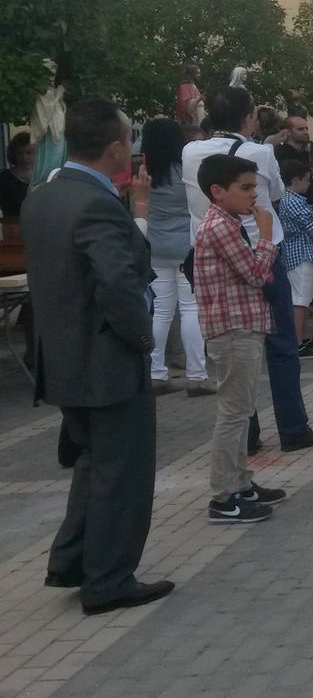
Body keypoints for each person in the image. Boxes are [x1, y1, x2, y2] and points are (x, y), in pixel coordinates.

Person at [23, 98, 174, 615]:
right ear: (113, 149)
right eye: (127, 145)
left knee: (92, 463)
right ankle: (108, 579)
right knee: (122, 471)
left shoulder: (41, 198)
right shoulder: (96, 205)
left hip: (62, 358)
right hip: (106, 361)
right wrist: (143, 340)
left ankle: (71, 560)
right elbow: (121, 283)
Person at [181, 87, 313, 453]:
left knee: (234, 344)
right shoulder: (258, 152)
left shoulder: (189, 152)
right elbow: (276, 193)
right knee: (280, 344)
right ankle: (293, 428)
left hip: (211, 252)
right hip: (259, 247)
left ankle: (245, 434)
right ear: (249, 118)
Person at [192, 154, 290, 525]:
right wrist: (266, 236)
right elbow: (254, 274)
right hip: (232, 330)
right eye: (246, 188)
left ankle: (240, 482)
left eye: (255, 188)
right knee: (234, 414)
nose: (254, 197)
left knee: (242, 409)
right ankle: (223, 495)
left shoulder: (228, 222)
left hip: (242, 326)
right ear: (217, 192)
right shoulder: (219, 226)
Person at [137, 118, 209, 394]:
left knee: (161, 311)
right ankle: (197, 374)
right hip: (185, 245)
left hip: (155, 246)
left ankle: (156, 372)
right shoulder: (186, 171)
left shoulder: (145, 174)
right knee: (191, 308)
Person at [277, 159, 313, 358]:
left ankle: (302, 338)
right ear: (295, 180)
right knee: (299, 300)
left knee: (303, 300)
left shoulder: (290, 199)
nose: (308, 185)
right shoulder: (293, 201)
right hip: (300, 254)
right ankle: (297, 342)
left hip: (302, 253)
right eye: (306, 180)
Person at [1, 131, 34, 217]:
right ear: (13, 154)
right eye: (19, 153)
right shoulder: (5, 178)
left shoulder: (44, 175)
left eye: (28, 153)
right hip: (13, 227)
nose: (24, 157)